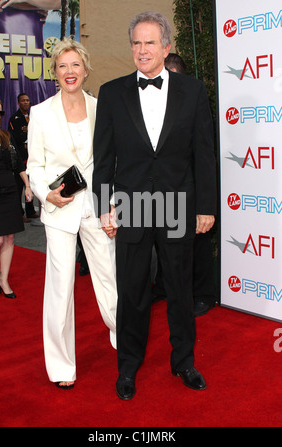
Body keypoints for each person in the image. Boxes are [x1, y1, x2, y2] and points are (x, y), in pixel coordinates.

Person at [93, 12, 217, 400]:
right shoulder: (112, 93)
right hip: (130, 204)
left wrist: (206, 207)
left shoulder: (193, 91)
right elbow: (103, 157)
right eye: (136, 43)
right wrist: (103, 206)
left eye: (150, 43)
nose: (142, 50)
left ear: (166, 46)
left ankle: (184, 361)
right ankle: (127, 367)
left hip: (178, 202)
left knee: (180, 288)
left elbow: (204, 155)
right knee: (132, 290)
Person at [27, 37, 118, 390]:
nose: (70, 72)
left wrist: (112, 208)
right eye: (63, 66)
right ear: (55, 72)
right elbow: (34, 166)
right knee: (61, 290)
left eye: (75, 65)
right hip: (60, 210)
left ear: (85, 69)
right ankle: (62, 366)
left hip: (97, 208)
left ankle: (122, 338)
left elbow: (111, 163)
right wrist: (46, 194)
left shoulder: (101, 108)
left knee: (110, 277)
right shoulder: (40, 113)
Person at [151, 52, 217, 317]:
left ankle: (203, 294)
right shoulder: (152, 105)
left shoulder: (193, 102)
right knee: (163, 242)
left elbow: (204, 154)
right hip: (160, 189)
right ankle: (164, 287)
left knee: (197, 244)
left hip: (190, 188)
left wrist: (205, 203)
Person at [0, 96, 33, 298]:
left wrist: (27, 186)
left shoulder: (5, 136)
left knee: (10, 237)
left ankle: (3, 279)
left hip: (10, 190)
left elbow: (18, 163)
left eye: (0, 112)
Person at [0, 0, 60, 129]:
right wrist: (37, 4)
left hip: (33, 29)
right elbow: (4, 3)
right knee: (12, 76)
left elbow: (58, 3)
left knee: (38, 81)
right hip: (8, 27)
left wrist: (22, 1)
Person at [8, 93, 39, 222]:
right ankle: (19, 214)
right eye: (23, 101)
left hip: (32, 158)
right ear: (18, 103)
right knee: (19, 187)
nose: (26, 102)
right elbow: (12, 138)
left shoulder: (34, 116)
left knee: (30, 185)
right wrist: (24, 132)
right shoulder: (14, 118)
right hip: (20, 159)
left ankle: (30, 211)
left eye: (27, 100)